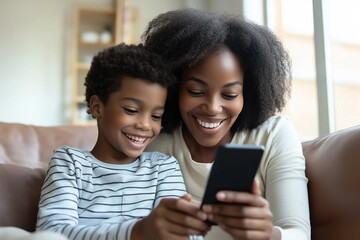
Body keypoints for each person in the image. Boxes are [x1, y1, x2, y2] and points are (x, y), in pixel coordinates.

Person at [143, 8, 311, 240]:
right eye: (196, 91)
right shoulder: (155, 143)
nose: (212, 107)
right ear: (174, 88)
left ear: (249, 93)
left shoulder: (273, 135)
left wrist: (268, 235)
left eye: (230, 94)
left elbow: (299, 233)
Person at [36, 43, 211, 240]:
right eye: (131, 110)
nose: (145, 125)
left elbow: (186, 233)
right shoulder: (70, 162)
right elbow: (50, 232)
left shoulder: (163, 167)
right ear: (97, 107)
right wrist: (136, 233)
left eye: (156, 116)